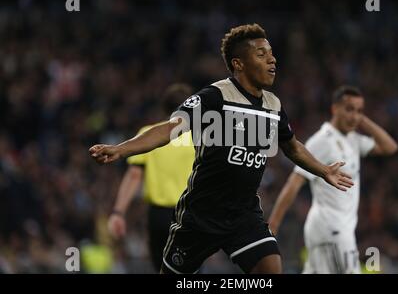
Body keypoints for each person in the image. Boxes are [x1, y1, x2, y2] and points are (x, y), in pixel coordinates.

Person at [89, 23, 353, 274]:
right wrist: (121, 149)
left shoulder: (273, 105)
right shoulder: (215, 96)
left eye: (272, 54)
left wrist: (323, 170)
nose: (272, 60)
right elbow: (170, 128)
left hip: (244, 214)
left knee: (270, 267)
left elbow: (292, 147)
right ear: (238, 64)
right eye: (261, 54)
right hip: (201, 215)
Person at [268, 85, 398, 274]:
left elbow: (390, 147)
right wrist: (273, 224)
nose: (354, 116)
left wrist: (363, 120)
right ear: (335, 109)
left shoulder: (352, 139)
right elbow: (294, 182)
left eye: (359, 111)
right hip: (332, 229)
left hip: (332, 230)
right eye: (349, 109)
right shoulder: (323, 140)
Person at [107, 83, 195, 271]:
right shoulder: (200, 136)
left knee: (161, 268)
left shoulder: (148, 134)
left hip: (159, 217)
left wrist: (118, 212)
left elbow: (133, 176)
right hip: (191, 214)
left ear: (164, 108)